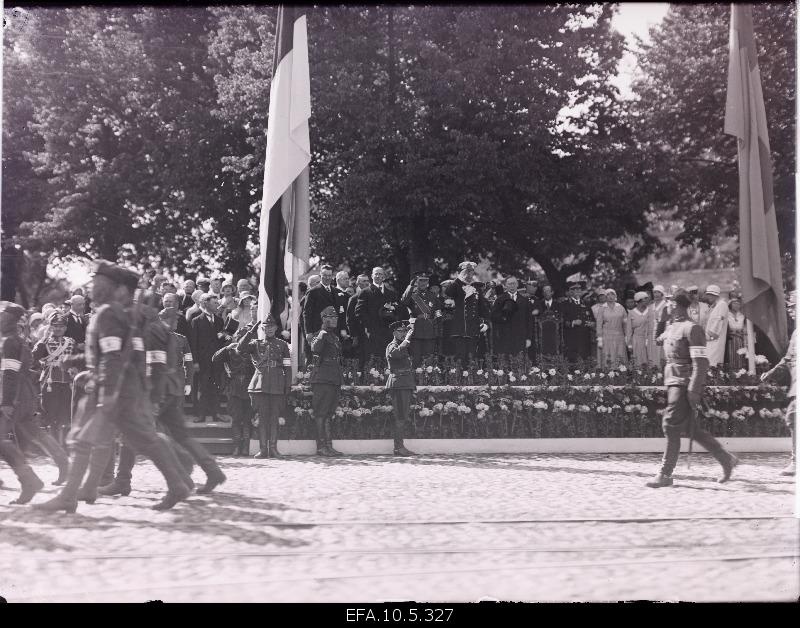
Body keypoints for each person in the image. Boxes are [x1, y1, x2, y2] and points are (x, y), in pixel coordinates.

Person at [34, 262, 191, 513]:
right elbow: (111, 352)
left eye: (99, 283)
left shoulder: (108, 313)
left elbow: (112, 357)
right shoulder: (115, 312)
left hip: (113, 390)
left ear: (113, 287)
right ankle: (176, 483)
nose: (94, 287)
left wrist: (106, 393)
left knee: (85, 439)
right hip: (122, 388)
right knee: (144, 439)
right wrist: (76, 360)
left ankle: (69, 496)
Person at [646, 290, 738, 488]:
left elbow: (701, 363)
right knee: (690, 430)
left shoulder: (692, 328)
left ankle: (665, 473)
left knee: (670, 424)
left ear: (677, 305)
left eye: (669, 303)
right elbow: (656, 339)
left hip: (684, 383)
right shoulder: (672, 327)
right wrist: (660, 320)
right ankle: (726, 459)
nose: (666, 305)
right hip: (672, 381)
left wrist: (693, 391)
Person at [0, 302, 65, 504]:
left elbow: (9, 374)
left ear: (12, 320)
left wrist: (7, 401)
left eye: (3, 317)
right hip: (25, 395)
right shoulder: (17, 340)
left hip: (15, 397)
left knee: (2, 441)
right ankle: (63, 463)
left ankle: (29, 480)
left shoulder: (10, 342)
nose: (0, 320)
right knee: (33, 432)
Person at [235, 314, 291, 458]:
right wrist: (250, 332)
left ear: (276, 328)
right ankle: (263, 449)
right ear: (262, 328)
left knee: (274, 417)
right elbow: (240, 349)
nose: (270, 329)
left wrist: (287, 385)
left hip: (277, 383)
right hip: (260, 384)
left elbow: (287, 367)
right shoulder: (256, 343)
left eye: (272, 327)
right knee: (262, 417)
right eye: (266, 327)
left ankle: (273, 448)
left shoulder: (282, 345)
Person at [32, 312, 76, 445]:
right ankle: (53, 445)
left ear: (65, 328)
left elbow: (76, 360)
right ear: (50, 327)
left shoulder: (70, 342)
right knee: (50, 414)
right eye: (55, 326)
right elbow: (34, 357)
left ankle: (64, 445)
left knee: (65, 414)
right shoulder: (44, 342)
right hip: (49, 381)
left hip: (67, 381)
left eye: (61, 326)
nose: (58, 328)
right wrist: (43, 339)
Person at [214, 325, 256, 457]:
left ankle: (245, 448)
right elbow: (215, 359)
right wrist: (227, 348)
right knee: (237, 419)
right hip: (234, 389)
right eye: (239, 337)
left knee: (247, 419)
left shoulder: (253, 351)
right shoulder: (230, 351)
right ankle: (237, 447)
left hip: (249, 388)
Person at [308, 306, 344, 456]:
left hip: (333, 377)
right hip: (322, 378)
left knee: (329, 413)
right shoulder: (320, 334)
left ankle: (329, 446)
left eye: (336, 317)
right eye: (331, 317)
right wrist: (322, 331)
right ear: (324, 319)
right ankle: (321, 446)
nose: (335, 320)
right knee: (321, 413)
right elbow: (315, 348)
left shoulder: (334, 337)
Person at [760, 330, 796, 476]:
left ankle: (796, 462)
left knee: (793, 416)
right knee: (794, 417)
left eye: (794, 307)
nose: (792, 312)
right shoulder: (796, 333)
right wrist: (771, 372)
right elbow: (788, 359)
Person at [444, 261, 490, 366]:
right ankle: (459, 378)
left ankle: (471, 378)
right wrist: (458, 279)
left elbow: (482, 307)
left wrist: (486, 322)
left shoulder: (476, 288)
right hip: (460, 327)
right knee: (460, 355)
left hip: (473, 327)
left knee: (472, 355)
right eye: (466, 272)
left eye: (471, 273)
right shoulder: (456, 286)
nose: (469, 275)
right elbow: (448, 292)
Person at [190, 292, 227, 423]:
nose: (217, 305)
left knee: (216, 387)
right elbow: (193, 343)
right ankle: (201, 414)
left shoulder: (219, 320)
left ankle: (216, 413)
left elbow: (221, 341)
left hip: (217, 361)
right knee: (203, 387)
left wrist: (226, 336)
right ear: (206, 303)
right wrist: (195, 362)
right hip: (203, 361)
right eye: (215, 303)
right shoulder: (196, 320)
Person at [385, 320, 417, 456]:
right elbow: (396, 354)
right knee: (400, 416)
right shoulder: (392, 346)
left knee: (403, 416)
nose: (403, 334)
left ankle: (399, 446)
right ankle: (398, 447)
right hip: (398, 384)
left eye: (405, 331)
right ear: (394, 333)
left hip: (405, 383)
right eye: (400, 331)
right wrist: (407, 340)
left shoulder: (403, 345)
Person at [355, 266, 400, 360]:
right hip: (373, 332)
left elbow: (397, 311)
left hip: (388, 332)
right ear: (372, 276)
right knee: (375, 360)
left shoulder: (391, 293)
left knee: (388, 358)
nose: (378, 276)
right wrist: (369, 327)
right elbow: (359, 312)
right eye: (376, 274)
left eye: (380, 274)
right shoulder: (365, 292)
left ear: (384, 276)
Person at [401, 271, 443, 365]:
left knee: (429, 360)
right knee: (415, 359)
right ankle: (415, 379)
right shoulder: (412, 295)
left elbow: (438, 313)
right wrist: (410, 286)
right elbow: (403, 302)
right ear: (416, 281)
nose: (423, 283)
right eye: (421, 280)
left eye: (425, 280)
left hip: (430, 331)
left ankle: (428, 379)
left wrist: (437, 329)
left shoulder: (433, 296)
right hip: (416, 331)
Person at [490, 276, 531, 359]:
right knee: (506, 362)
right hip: (505, 336)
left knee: (520, 361)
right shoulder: (500, 300)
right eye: (509, 284)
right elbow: (493, 317)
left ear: (517, 285)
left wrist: (528, 338)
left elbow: (529, 321)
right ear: (505, 285)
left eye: (514, 284)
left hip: (520, 337)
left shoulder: (525, 300)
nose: (512, 286)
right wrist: (503, 317)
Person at [561, 283, 593, 363]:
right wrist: (572, 322)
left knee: (585, 360)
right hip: (571, 338)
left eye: (579, 289)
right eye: (574, 289)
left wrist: (592, 324)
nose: (577, 291)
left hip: (585, 337)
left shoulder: (586, 304)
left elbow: (592, 319)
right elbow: (561, 321)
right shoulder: (564, 304)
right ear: (570, 291)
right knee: (572, 361)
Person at [596, 288, 629, 367]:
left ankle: (621, 374)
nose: (610, 296)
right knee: (608, 357)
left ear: (615, 296)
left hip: (619, 335)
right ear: (605, 297)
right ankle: (608, 375)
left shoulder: (621, 307)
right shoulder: (602, 308)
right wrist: (600, 338)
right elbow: (599, 324)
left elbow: (625, 323)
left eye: (612, 294)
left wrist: (627, 336)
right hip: (606, 336)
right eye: (608, 294)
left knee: (620, 355)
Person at [531, 284, 561, 359]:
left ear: (552, 292)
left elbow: (561, 318)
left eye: (548, 291)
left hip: (555, 337)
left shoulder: (559, 304)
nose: (546, 293)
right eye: (544, 291)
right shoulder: (538, 304)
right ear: (542, 293)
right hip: (542, 337)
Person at [703, 284, 729, 368]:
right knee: (708, 364)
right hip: (708, 340)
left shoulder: (722, 304)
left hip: (715, 339)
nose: (709, 296)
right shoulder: (713, 306)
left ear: (717, 295)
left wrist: (710, 336)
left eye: (712, 294)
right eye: (708, 294)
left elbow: (718, 322)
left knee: (713, 365)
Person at [628, 291, 655, 366]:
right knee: (638, 361)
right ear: (639, 300)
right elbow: (629, 330)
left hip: (649, 339)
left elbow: (651, 326)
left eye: (647, 298)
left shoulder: (650, 311)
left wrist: (649, 339)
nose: (647, 300)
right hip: (637, 340)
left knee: (649, 360)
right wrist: (629, 344)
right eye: (645, 298)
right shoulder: (631, 313)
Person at [725, 294, 749, 370]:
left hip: (741, 339)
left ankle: (741, 373)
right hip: (730, 339)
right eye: (734, 303)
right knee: (731, 356)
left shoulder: (742, 315)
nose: (737, 305)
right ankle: (732, 373)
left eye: (738, 303)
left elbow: (745, 328)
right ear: (730, 304)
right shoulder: (726, 314)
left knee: (741, 356)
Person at [651, 285, 669, 366]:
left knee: (662, 355)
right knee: (653, 356)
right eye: (655, 292)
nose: (656, 294)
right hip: (651, 334)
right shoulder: (651, 306)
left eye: (658, 292)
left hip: (663, 332)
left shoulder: (667, 305)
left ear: (662, 294)